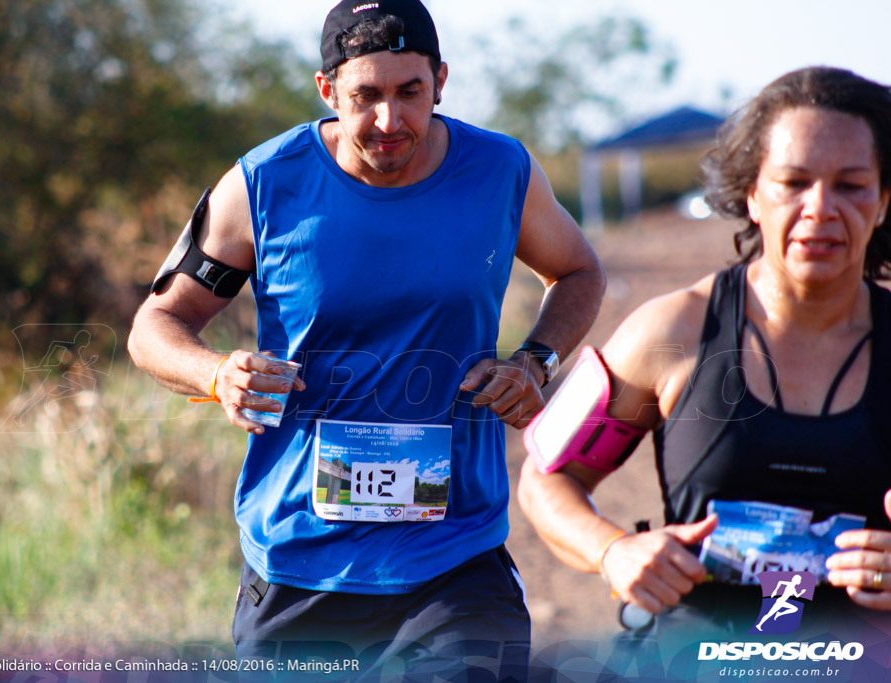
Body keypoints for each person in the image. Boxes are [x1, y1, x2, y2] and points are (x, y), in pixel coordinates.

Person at [127, 0, 605, 677]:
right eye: (365, 96)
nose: (389, 120)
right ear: (327, 90)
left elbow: (580, 270)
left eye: (410, 92)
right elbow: (154, 326)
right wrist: (215, 374)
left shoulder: (501, 172)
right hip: (301, 561)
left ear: (441, 80)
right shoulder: (264, 184)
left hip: (455, 556)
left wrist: (535, 360)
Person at [518, 66, 891, 645]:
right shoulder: (672, 331)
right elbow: (548, 479)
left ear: (884, 200)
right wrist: (614, 551)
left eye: (850, 184)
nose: (819, 207)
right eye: (793, 182)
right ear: (753, 195)